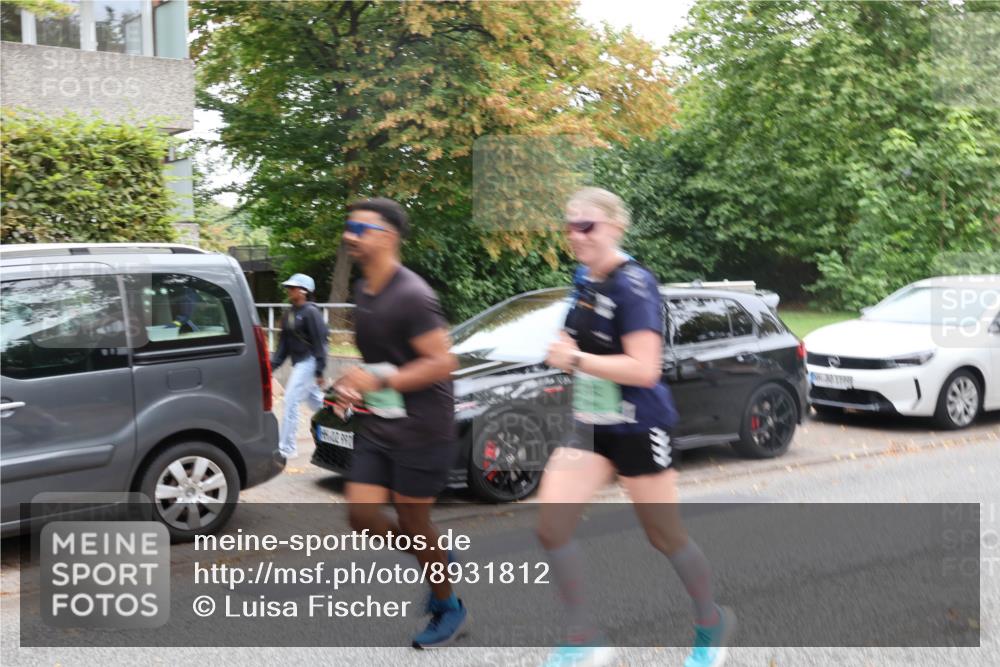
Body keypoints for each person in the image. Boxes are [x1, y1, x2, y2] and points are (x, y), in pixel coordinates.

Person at [537, 187, 736, 667]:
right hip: (592, 424)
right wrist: (563, 348)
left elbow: (644, 368)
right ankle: (583, 636)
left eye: (585, 225)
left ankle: (712, 622)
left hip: (639, 426)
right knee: (551, 525)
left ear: (615, 226)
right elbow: (572, 339)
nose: (574, 235)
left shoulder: (635, 285)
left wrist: (578, 357)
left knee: (664, 536)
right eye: (568, 226)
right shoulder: (585, 280)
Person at [331, 197, 467, 649]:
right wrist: (354, 384)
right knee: (362, 515)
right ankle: (437, 559)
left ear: (387, 236)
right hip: (381, 423)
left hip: (423, 428)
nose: (350, 235)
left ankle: (448, 604)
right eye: (349, 226)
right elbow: (382, 364)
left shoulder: (413, 295)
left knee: (413, 520)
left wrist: (377, 378)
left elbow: (443, 362)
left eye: (360, 228)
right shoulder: (365, 291)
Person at [270, 273, 328, 460]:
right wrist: (270, 367)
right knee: (316, 403)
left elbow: (320, 343)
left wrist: (319, 370)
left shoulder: (311, 312)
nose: (289, 290)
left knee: (290, 400)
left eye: (293, 288)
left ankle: (287, 448)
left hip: (310, 362)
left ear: (304, 291)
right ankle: (339, 414)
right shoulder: (289, 314)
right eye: (289, 287)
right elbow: (283, 347)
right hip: (301, 363)